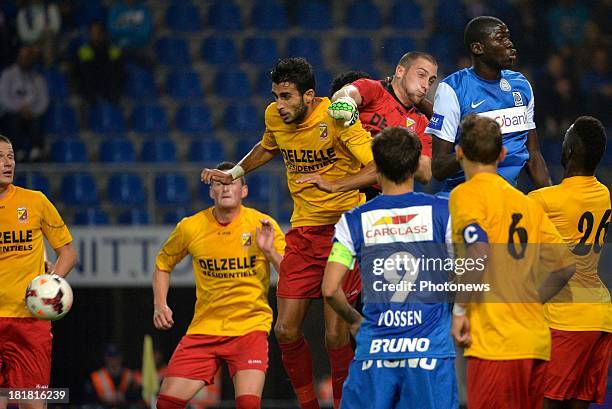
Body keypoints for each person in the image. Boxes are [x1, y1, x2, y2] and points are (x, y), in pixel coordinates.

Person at [201, 58, 377, 409]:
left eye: (286, 97)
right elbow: (268, 145)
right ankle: (309, 404)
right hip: (303, 233)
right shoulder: (274, 117)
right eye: (275, 96)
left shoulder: (337, 117)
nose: (278, 105)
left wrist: (335, 183)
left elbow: (378, 166)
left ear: (309, 96)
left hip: (343, 231)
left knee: (334, 334)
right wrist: (235, 172)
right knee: (284, 330)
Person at [322, 126, 458, 409]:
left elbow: (330, 289)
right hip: (429, 353)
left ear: (376, 166)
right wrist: (458, 312)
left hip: (374, 352)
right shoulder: (443, 213)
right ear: (416, 164)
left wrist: (355, 320)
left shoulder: (353, 220)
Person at [448, 115, 575, 409]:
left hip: (496, 345)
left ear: (459, 153)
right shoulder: (526, 203)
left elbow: (478, 252)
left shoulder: (465, 195)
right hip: (535, 343)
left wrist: (458, 311)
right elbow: (566, 265)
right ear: (502, 155)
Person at [153, 161, 285, 409]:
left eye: (231, 182)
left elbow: (290, 275)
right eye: (218, 183)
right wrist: (160, 304)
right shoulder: (190, 227)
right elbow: (162, 264)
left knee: (248, 405)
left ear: (243, 191)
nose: (225, 188)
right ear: (211, 191)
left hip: (249, 328)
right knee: (166, 404)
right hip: (205, 329)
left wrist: (271, 253)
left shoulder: (262, 225)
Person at [528, 116, 611, 409]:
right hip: (600, 317)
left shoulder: (541, 201)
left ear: (571, 151)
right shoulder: (604, 195)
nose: (561, 144)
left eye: (566, 139)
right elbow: (565, 204)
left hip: (566, 317)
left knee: (544, 403)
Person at [426, 16, 551, 196]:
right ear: (478, 48)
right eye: (500, 39)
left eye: (508, 37)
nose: (509, 44)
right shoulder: (453, 89)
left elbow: (533, 155)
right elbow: (438, 168)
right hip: (462, 196)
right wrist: (472, 150)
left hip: (507, 196)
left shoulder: (521, 85)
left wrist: (550, 197)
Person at [0, 134, 77, 408]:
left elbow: (67, 252)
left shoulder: (35, 201)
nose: (8, 163)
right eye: (0, 157)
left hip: (29, 322)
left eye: (11, 157)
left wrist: (51, 283)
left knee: (32, 404)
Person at [328, 52, 438, 184]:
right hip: (344, 182)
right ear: (400, 71)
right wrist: (347, 102)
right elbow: (345, 93)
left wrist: (394, 152)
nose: (426, 85)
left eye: (431, 81)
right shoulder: (375, 89)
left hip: (379, 191)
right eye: (421, 75)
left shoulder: (421, 123)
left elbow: (425, 173)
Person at [0, 46, 49, 162]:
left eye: (27, 57)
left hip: (32, 114)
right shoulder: (8, 74)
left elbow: (43, 101)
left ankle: (36, 152)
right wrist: (19, 108)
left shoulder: (38, 78)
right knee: (13, 120)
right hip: (12, 113)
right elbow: (3, 98)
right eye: (22, 57)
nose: (25, 60)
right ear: (17, 57)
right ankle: (17, 152)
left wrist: (32, 110)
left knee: (36, 121)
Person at [75, 21, 125, 104]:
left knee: (114, 68)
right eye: (92, 32)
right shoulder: (83, 50)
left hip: (109, 87)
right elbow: (83, 71)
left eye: (98, 32)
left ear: (103, 34)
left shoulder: (112, 48)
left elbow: (118, 69)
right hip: (91, 90)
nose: (95, 35)